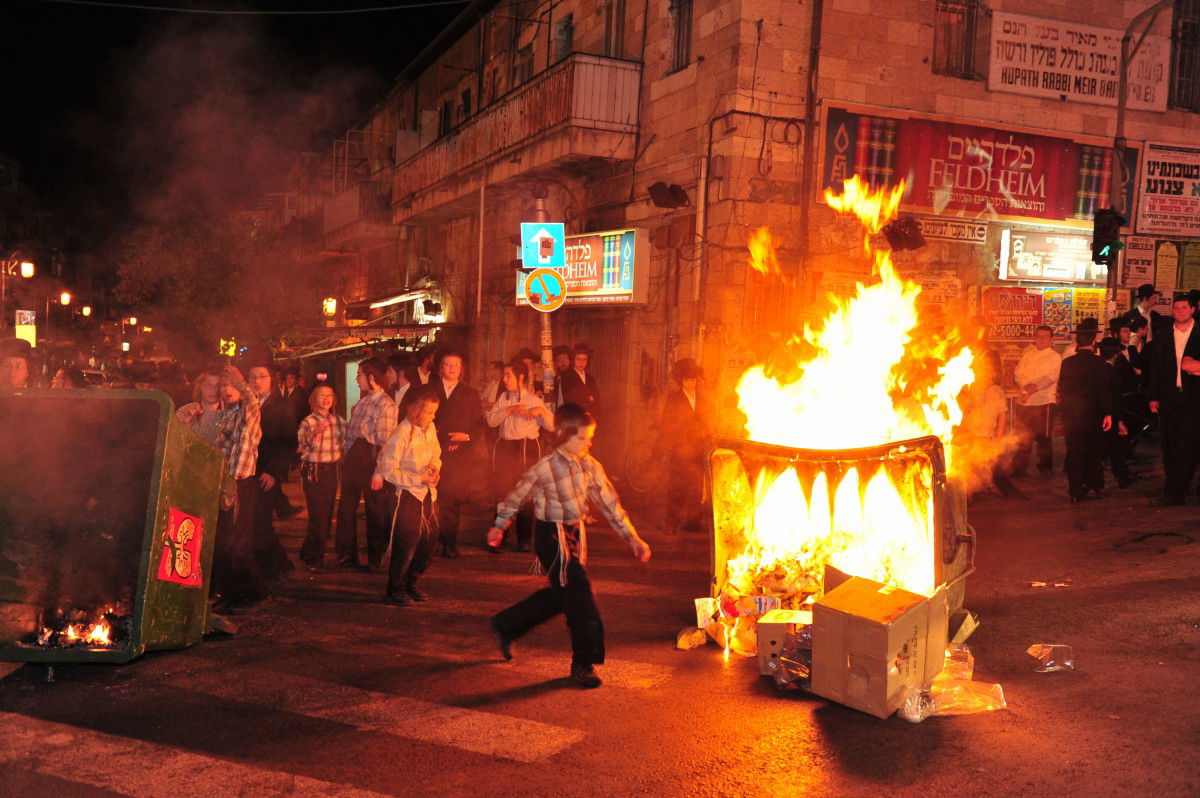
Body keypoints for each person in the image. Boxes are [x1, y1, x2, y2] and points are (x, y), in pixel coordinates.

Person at [486, 404, 652, 689]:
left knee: (564, 594)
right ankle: (583, 663)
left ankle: (506, 624)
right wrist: (499, 524)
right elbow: (518, 495)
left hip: (575, 534)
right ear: (563, 435)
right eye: (582, 438)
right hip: (552, 535)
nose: (588, 443)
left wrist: (632, 537)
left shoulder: (589, 464)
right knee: (580, 594)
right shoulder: (546, 467)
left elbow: (610, 503)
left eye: (590, 437)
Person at [372, 390, 441, 606]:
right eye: (429, 412)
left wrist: (434, 468)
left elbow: (436, 454)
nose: (433, 416)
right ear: (417, 411)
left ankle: (411, 582)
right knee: (406, 545)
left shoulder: (430, 428)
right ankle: (395, 589)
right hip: (408, 496)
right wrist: (416, 478)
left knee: (428, 543)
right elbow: (389, 469)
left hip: (428, 494)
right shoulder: (401, 433)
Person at [212, 364, 269, 610]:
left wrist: (238, 378)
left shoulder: (250, 411)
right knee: (227, 542)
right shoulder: (226, 416)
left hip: (243, 485)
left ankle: (256, 593)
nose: (227, 389)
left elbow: (251, 397)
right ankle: (234, 594)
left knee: (238, 544)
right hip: (226, 485)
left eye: (231, 385)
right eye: (223, 385)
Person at [335, 357, 398, 568]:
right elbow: (351, 436)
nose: (356, 378)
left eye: (360, 374)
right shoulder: (361, 402)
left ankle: (374, 557)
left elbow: (386, 443)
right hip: (355, 456)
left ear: (372, 377)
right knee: (346, 507)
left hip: (372, 457)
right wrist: (345, 457)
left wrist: (379, 472)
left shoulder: (387, 405)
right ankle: (346, 554)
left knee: (375, 510)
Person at [487, 358, 554, 551]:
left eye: (509, 375)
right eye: (504, 375)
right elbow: (491, 421)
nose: (505, 378)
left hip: (527, 450)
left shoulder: (534, 400)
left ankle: (524, 539)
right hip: (505, 449)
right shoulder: (503, 398)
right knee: (503, 494)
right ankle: (498, 536)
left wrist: (541, 411)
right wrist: (509, 409)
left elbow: (553, 425)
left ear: (521, 377)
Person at [1147, 295, 1200, 506]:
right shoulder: (1163, 335)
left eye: (1184, 308)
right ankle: (1175, 485)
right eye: (1176, 308)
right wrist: (1153, 397)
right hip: (1169, 398)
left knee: (1188, 445)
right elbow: (1155, 368)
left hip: (1194, 398)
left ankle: (1177, 489)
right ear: (1172, 311)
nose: (1180, 312)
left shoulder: (1199, 333)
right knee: (1169, 446)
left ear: (1192, 310)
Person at [432, 348, 485, 558]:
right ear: (440, 368)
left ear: (462, 369)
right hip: (433, 450)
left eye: (456, 365)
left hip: (460, 454)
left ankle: (450, 543)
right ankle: (433, 541)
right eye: (448, 364)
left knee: (452, 500)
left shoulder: (470, 393)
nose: (452, 368)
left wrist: (466, 438)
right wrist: (446, 439)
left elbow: (478, 423)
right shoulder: (430, 390)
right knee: (434, 499)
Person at [249, 362, 296, 579]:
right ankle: (278, 565)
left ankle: (274, 566)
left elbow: (288, 443)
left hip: (267, 471)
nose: (257, 381)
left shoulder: (282, 406)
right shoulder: (247, 403)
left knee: (261, 521)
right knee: (255, 521)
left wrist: (273, 472)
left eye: (262, 377)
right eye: (253, 377)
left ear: (272, 380)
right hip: (247, 470)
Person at [1058, 329, 1114, 503]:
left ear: (1076, 344)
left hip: (1072, 414)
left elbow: (1062, 389)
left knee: (1074, 451)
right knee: (1093, 451)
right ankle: (1093, 485)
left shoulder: (1067, 363)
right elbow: (1105, 391)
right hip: (1093, 413)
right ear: (1093, 344)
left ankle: (1075, 489)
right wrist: (1108, 413)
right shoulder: (1101, 364)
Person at [296, 383, 346, 571]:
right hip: (313, 471)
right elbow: (301, 446)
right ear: (313, 400)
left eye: (329, 396)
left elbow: (345, 442)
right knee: (318, 517)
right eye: (321, 396)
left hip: (332, 471)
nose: (326, 399)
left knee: (325, 516)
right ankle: (314, 559)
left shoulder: (339, 421)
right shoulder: (307, 422)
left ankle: (308, 553)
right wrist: (315, 433)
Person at [658, 358, 712, 530]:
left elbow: (708, 419)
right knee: (677, 487)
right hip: (680, 450)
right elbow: (669, 424)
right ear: (681, 381)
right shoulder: (674, 399)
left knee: (695, 486)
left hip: (698, 449)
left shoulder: (702, 398)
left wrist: (705, 431)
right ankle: (671, 522)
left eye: (693, 380)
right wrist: (687, 435)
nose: (690, 383)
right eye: (687, 380)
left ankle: (693, 521)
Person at [967, 350, 1022, 499]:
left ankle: (995, 488)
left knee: (989, 461)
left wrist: (998, 433)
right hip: (973, 432)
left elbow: (1002, 413)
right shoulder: (972, 388)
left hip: (986, 432)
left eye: (987, 371)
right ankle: (975, 490)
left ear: (993, 373)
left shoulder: (996, 391)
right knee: (974, 462)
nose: (983, 374)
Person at [1011, 326, 1061, 477]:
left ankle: (1045, 467)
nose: (1040, 339)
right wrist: (1025, 387)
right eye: (1038, 336)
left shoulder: (1054, 357)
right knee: (1023, 437)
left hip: (1044, 402)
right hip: (1024, 403)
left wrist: (1032, 388)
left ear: (1051, 340)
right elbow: (1018, 374)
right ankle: (1019, 467)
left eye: (1044, 337)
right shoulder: (1028, 355)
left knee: (1043, 437)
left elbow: (1050, 378)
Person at [1098, 339, 1137, 489]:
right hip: (1111, 415)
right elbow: (1115, 399)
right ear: (1116, 354)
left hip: (1096, 414)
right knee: (1116, 447)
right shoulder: (1113, 373)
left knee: (1103, 448)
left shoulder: (1097, 368)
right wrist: (1119, 420)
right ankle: (1122, 477)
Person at [176, 367, 224, 445]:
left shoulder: (228, 415)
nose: (213, 389)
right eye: (208, 385)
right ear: (200, 387)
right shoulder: (187, 411)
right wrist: (185, 421)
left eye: (217, 385)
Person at [558, 343, 598, 417]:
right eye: (578, 359)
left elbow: (597, 400)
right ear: (573, 360)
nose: (581, 363)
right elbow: (569, 400)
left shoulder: (590, 378)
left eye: (584, 359)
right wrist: (589, 398)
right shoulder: (567, 376)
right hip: (574, 417)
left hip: (590, 418)